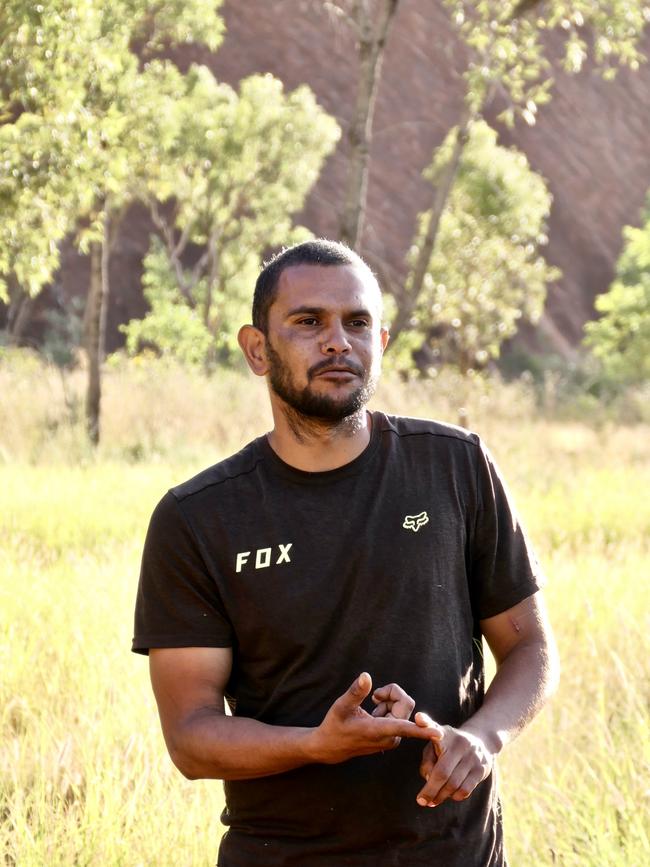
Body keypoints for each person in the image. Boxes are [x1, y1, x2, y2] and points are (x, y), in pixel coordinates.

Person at [132, 239, 559, 867]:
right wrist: (315, 745)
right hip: (283, 854)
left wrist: (481, 739)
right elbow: (191, 738)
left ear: (380, 342)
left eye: (356, 323)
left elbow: (531, 647)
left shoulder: (455, 465)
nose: (337, 341)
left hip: (455, 852)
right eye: (308, 322)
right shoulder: (198, 517)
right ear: (257, 349)